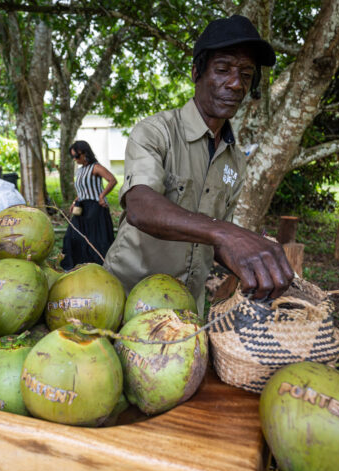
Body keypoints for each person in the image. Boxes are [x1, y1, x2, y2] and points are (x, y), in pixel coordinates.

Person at [103, 15, 294, 314]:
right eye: (222, 70)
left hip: (185, 308)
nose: (235, 83)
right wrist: (228, 233)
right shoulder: (156, 131)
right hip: (126, 298)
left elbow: (212, 240)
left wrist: (249, 262)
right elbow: (140, 207)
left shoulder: (235, 161)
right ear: (196, 73)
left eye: (246, 74)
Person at [60, 141, 117, 270]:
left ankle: (98, 267)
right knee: (71, 236)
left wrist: (102, 196)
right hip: (81, 207)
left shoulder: (95, 167)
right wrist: (74, 201)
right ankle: (74, 266)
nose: (75, 159)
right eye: (72, 157)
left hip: (95, 207)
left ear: (84, 153)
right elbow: (82, 190)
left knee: (95, 239)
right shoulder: (79, 171)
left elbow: (112, 180)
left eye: (76, 156)